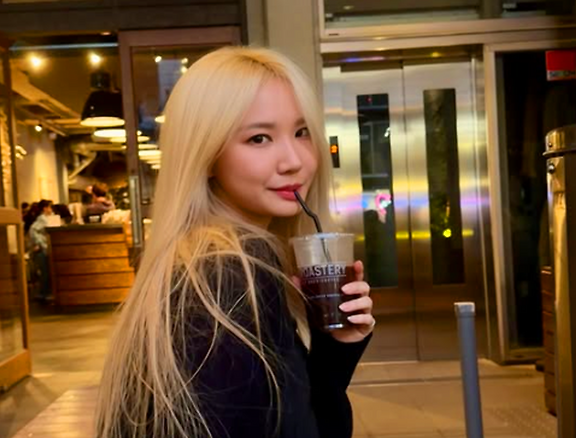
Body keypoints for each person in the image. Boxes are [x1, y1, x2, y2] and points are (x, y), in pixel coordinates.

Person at [95, 47, 375, 438]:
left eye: (301, 132)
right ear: (207, 155)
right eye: (259, 138)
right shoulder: (233, 270)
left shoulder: (198, 261)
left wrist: (335, 346)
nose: (294, 160)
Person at [29, 199, 53, 301]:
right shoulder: (42, 219)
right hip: (43, 250)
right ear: (45, 208)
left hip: (44, 248)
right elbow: (33, 231)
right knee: (45, 272)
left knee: (45, 272)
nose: (51, 209)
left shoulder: (46, 219)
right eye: (50, 207)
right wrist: (41, 243)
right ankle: (44, 293)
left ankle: (44, 293)